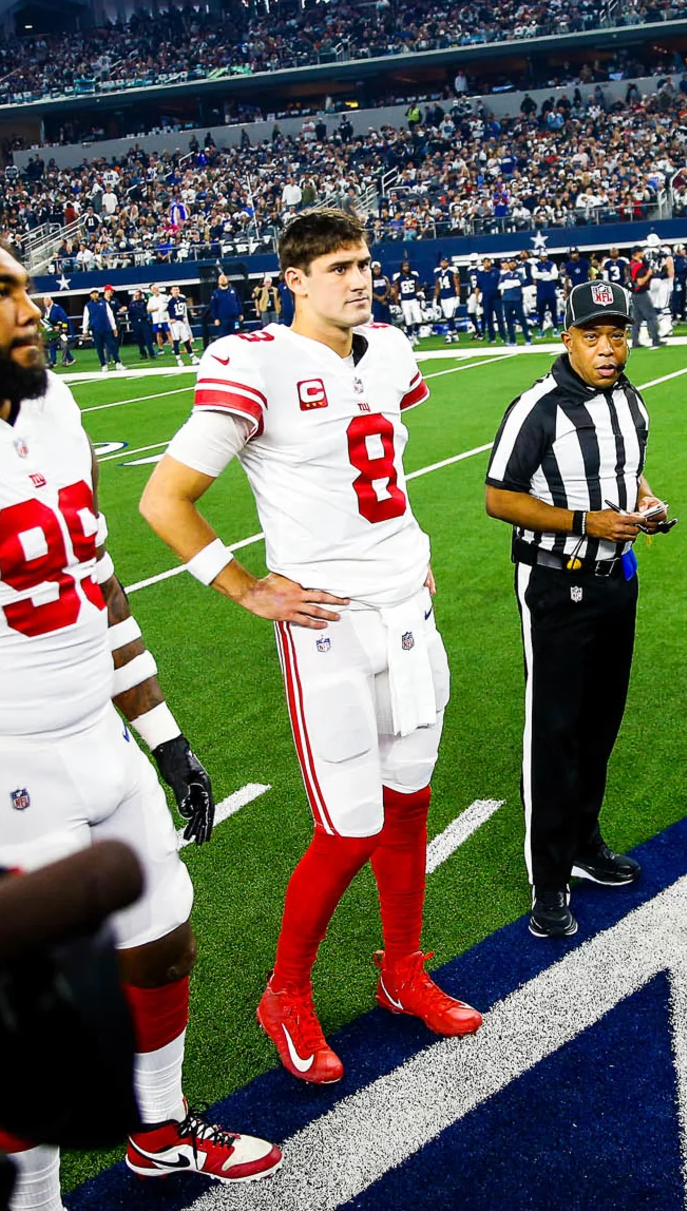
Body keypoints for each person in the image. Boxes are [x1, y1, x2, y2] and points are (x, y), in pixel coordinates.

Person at [0, 201, 280, 1208]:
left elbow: (95, 578)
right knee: (36, 1025)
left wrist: (161, 732)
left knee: (165, 937)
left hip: (96, 732)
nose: (32, 307)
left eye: (27, 285)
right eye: (0, 290)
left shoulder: (57, 407)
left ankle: (159, 1131)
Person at [139, 208, 482, 1089]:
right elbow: (164, 499)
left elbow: (381, 479)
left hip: (408, 611)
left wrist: (417, 553)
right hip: (326, 626)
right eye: (338, 267)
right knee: (349, 826)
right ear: (295, 279)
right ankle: (284, 992)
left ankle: (401, 973)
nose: (360, 279)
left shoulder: (391, 350)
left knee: (410, 807)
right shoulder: (253, 360)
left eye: (364, 263)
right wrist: (243, 584)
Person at [483, 279, 673, 940]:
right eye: (591, 335)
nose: (606, 347)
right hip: (555, 583)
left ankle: (585, 844)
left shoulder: (631, 401)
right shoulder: (536, 406)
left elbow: (629, 473)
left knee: (599, 724)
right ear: (567, 339)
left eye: (615, 334)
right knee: (555, 729)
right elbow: (499, 498)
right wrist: (584, 521)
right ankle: (548, 877)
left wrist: (647, 505)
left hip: (617, 579)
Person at [629, 249, 664, 348]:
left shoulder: (631, 264)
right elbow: (640, 282)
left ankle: (635, 341)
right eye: (641, 252)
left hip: (634, 293)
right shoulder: (638, 266)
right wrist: (648, 274)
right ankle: (655, 339)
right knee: (651, 317)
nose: (642, 254)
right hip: (641, 293)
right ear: (637, 253)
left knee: (637, 319)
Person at [83, 285, 123, 371]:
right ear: (90, 295)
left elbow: (110, 315)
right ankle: (103, 364)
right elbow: (86, 318)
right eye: (93, 293)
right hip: (96, 329)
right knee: (99, 347)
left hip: (106, 328)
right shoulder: (88, 306)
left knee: (112, 345)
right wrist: (85, 330)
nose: (95, 295)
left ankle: (117, 362)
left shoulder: (104, 303)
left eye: (96, 293)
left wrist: (114, 327)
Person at [499, 257, 532, 345]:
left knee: (522, 319)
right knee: (509, 320)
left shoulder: (519, 274)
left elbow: (520, 283)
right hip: (506, 299)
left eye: (513, 263)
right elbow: (500, 286)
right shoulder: (504, 275)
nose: (512, 265)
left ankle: (527, 338)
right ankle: (512, 340)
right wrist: (512, 283)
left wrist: (508, 283)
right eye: (510, 263)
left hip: (517, 299)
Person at [166, 286, 197, 365]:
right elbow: (163, 311)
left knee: (186, 340)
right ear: (171, 291)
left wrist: (183, 317)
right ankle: (179, 359)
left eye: (177, 289)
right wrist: (168, 319)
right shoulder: (169, 300)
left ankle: (193, 357)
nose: (176, 291)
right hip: (174, 323)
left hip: (181, 321)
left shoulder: (182, 299)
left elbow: (184, 311)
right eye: (174, 290)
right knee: (176, 341)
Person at [209, 273, 242, 339]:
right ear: (218, 281)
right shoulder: (216, 293)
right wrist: (216, 318)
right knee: (224, 338)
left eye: (224, 278)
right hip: (223, 320)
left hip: (234, 318)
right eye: (221, 279)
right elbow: (213, 307)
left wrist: (240, 313)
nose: (223, 280)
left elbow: (238, 302)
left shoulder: (233, 290)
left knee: (236, 337)